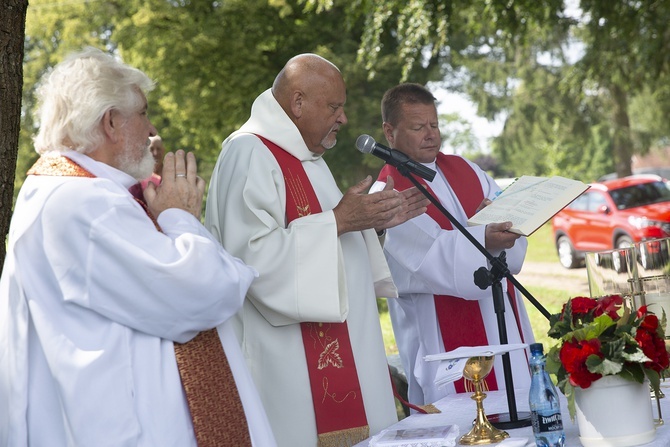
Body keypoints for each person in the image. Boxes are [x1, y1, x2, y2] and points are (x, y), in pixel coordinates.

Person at [0, 47, 276, 447]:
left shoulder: (75, 191)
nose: (151, 130)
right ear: (111, 122)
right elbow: (202, 293)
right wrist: (179, 216)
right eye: (143, 113)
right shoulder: (83, 204)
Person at [205, 54, 429, 447]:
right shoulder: (250, 153)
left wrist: (370, 223)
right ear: (297, 102)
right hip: (289, 365)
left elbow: (335, 237)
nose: (342, 118)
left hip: (348, 346)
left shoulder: (308, 157)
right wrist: (341, 221)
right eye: (334, 107)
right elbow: (251, 259)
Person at [370, 83, 534, 407]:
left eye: (434, 125)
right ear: (389, 132)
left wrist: (510, 223)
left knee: (519, 405)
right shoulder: (385, 196)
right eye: (418, 127)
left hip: (502, 318)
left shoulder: (467, 169)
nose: (431, 134)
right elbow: (430, 260)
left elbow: (508, 227)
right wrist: (484, 238)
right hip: (439, 335)